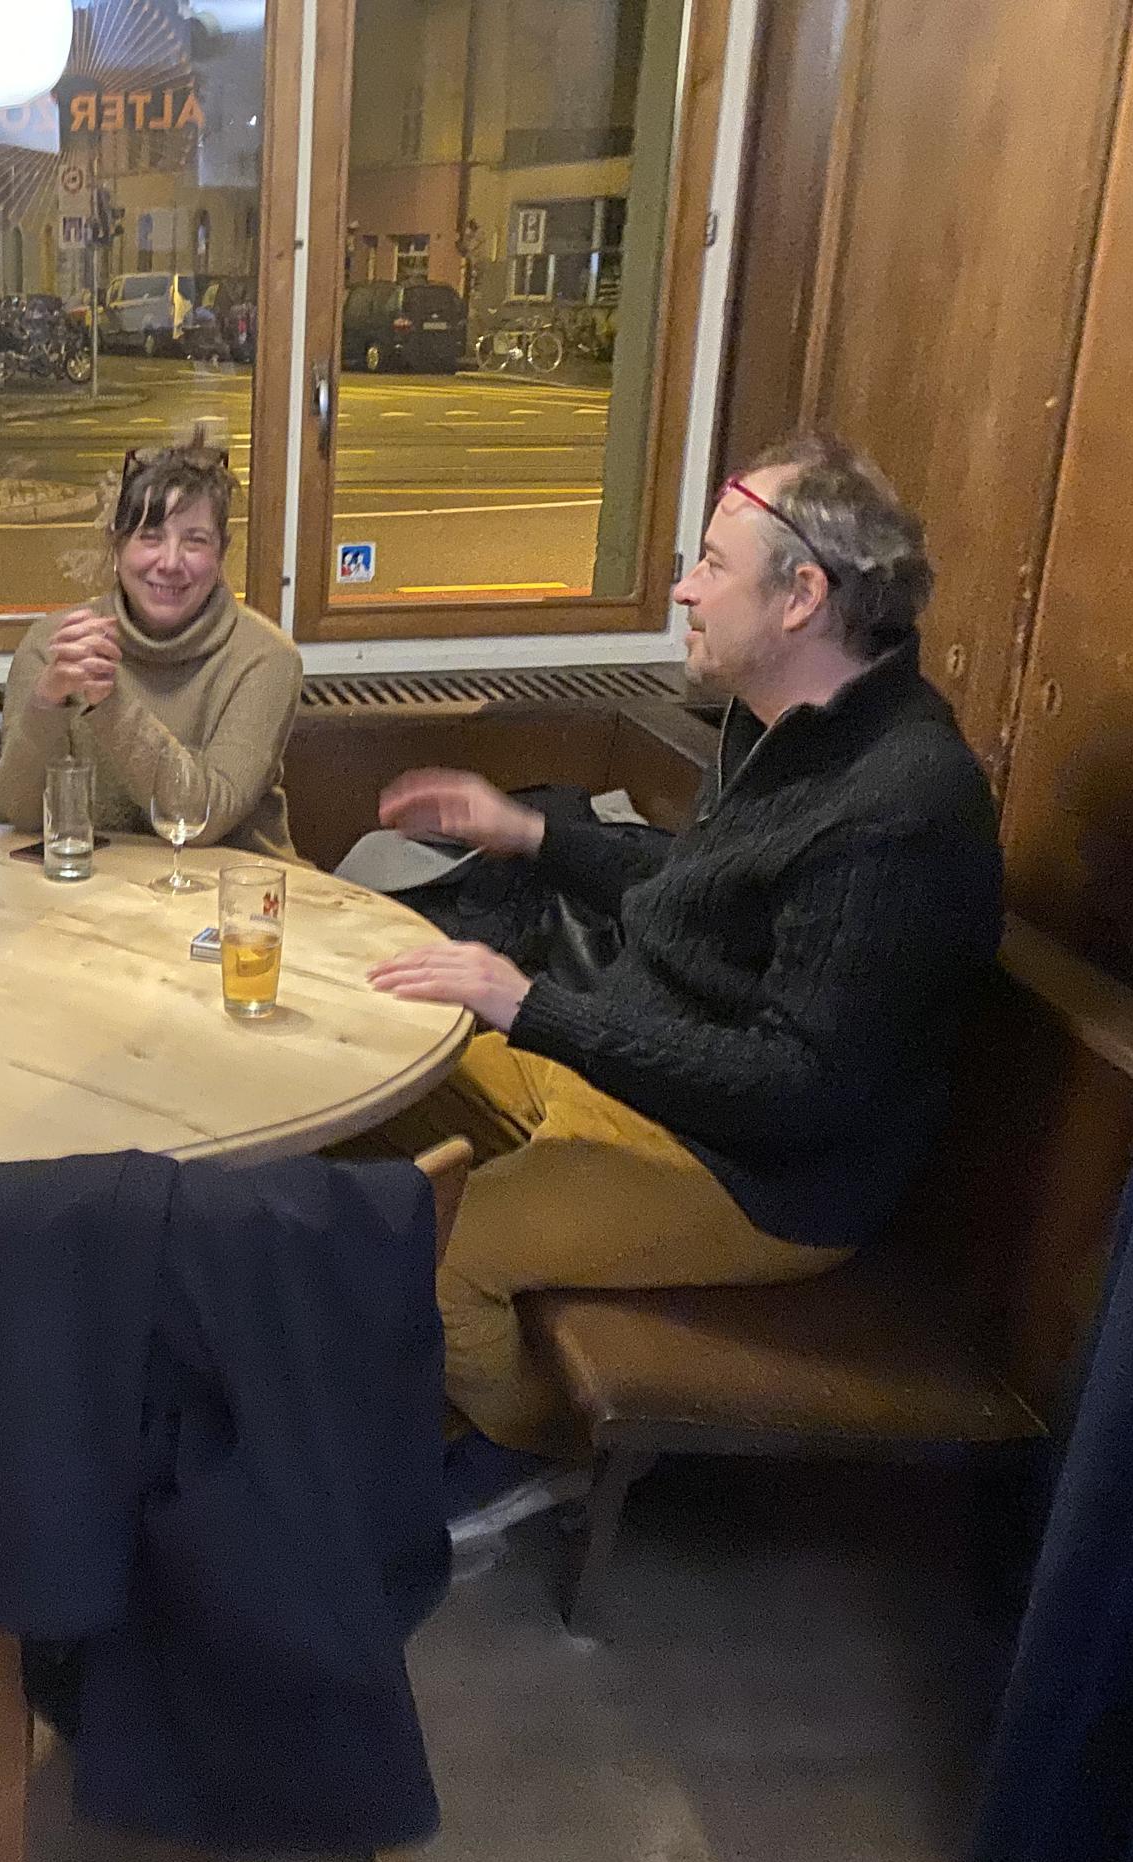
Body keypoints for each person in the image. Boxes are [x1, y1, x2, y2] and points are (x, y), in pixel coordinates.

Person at [363, 434, 1004, 1545]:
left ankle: (536, 1449)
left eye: (711, 563)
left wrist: (531, 1006)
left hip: (755, 1179)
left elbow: (796, 1088)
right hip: (643, 1082)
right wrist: (528, 833)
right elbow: (696, 898)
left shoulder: (900, 805)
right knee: (379, 1088)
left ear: (801, 597)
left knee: (440, 1251)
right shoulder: (779, 726)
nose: (682, 589)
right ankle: (406, 1389)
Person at [0, 436, 301, 857]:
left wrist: (110, 703)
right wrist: (46, 702)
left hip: (232, 885)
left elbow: (201, 818)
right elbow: (24, 814)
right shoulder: (57, 647)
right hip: (99, 884)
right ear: (117, 547)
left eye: (195, 541)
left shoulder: (265, 657)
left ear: (221, 553)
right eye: (150, 537)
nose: (170, 563)